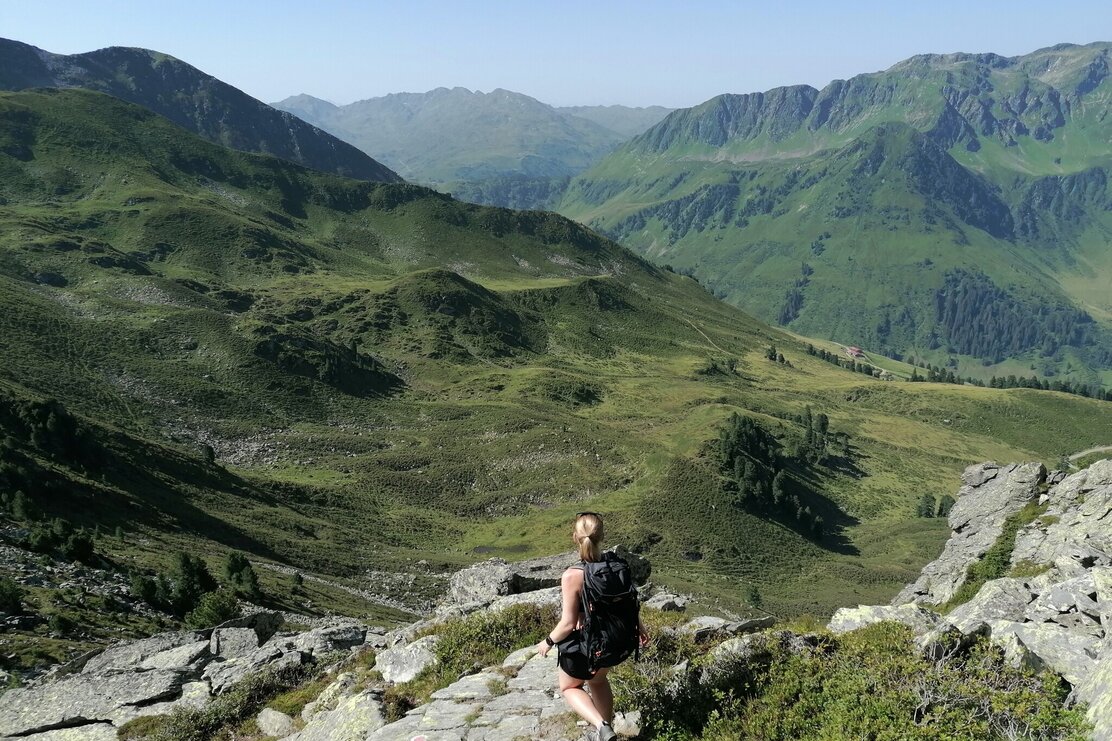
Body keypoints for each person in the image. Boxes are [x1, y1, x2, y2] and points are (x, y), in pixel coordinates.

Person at [536, 512, 649, 741]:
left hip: (587, 644)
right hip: (615, 641)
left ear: (575, 538)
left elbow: (567, 624)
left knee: (569, 687)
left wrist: (548, 642)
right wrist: (640, 627)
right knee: (598, 681)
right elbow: (628, 603)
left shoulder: (572, 575)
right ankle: (604, 734)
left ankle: (601, 725)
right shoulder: (617, 565)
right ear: (602, 536)